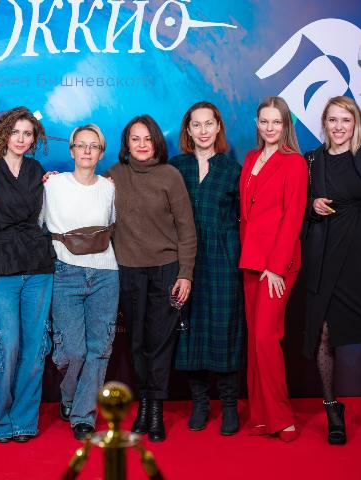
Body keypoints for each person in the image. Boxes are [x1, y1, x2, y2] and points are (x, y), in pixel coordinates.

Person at [302, 76, 361, 446]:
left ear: (356, 123)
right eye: (332, 119)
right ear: (324, 123)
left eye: (346, 120)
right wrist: (312, 205)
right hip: (327, 255)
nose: (338, 126)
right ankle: (332, 409)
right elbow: (294, 204)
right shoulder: (312, 160)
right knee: (324, 332)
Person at [107, 115, 197, 442]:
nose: (142, 145)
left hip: (166, 269)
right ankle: (143, 404)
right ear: (126, 144)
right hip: (129, 270)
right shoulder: (114, 176)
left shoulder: (170, 176)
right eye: (135, 139)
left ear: (156, 141)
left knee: (160, 342)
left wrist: (185, 273)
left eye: (147, 138)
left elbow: (186, 229)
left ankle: (155, 408)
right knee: (137, 342)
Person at [0, 107, 55, 443]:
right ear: (3, 133)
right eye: (15, 132)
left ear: (34, 139)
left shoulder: (36, 170)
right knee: (6, 345)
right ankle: (1, 420)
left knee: (35, 348)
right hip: (2, 266)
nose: (20, 139)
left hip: (38, 266)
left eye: (27, 134)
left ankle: (24, 422)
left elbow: (49, 212)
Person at [171, 102, 245, 435]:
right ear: (188, 130)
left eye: (208, 124)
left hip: (224, 259)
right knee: (191, 331)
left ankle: (229, 405)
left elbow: (248, 217)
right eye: (196, 125)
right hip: (186, 261)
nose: (203, 131)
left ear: (218, 127)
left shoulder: (233, 170)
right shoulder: (176, 167)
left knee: (224, 329)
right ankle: (200, 403)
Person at [44, 124, 118, 440]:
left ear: (101, 153)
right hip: (65, 271)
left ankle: (83, 416)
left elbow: (114, 224)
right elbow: (38, 223)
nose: (87, 151)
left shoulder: (110, 188)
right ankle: (70, 397)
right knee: (71, 351)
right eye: (81, 145)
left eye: (94, 146)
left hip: (105, 273)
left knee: (99, 348)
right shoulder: (52, 185)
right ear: (72, 150)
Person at [239, 96, 307, 442]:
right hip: (251, 261)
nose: (270, 128)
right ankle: (261, 416)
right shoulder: (251, 158)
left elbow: (293, 216)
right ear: (257, 123)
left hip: (277, 265)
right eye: (264, 121)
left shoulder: (294, 162)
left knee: (266, 338)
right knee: (255, 340)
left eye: (276, 122)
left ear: (286, 125)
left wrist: (277, 267)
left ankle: (282, 416)